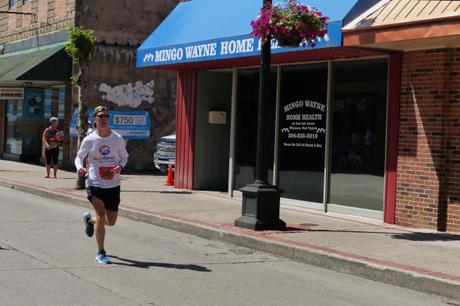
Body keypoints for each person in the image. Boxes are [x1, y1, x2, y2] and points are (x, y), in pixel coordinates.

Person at [74, 106, 129, 264]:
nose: (104, 119)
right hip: (94, 182)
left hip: (113, 184)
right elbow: (79, 157)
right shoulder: (89, 139)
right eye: (101, 116)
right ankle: (101, 252)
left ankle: (90, 221)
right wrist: (80, 168)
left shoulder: (117, 138)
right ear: (95, 120)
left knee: (111, 221)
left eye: (106, 116)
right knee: (101, 214)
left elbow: (124, 157)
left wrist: (120, 167)